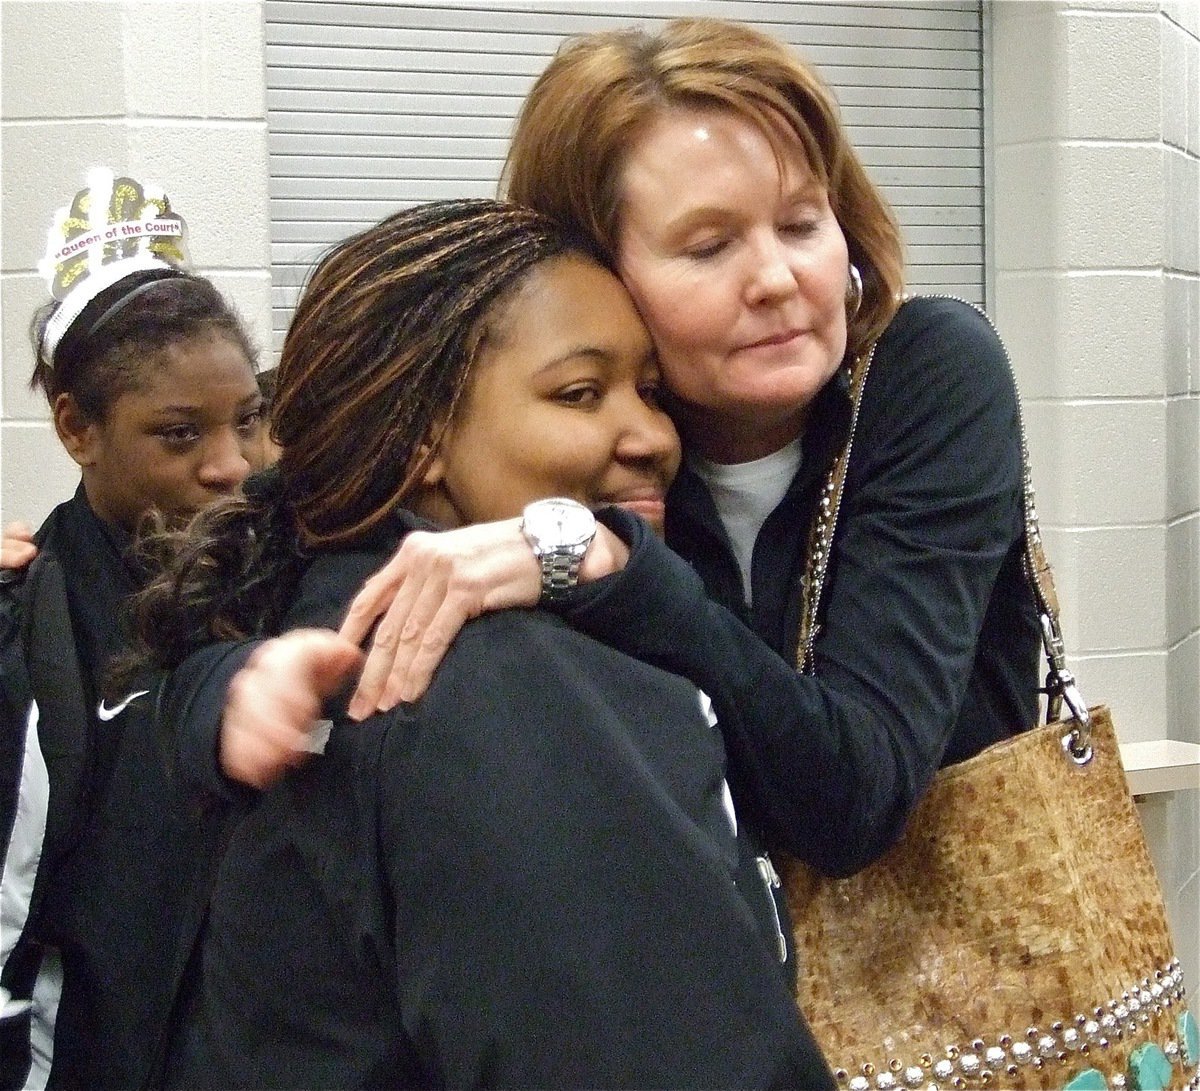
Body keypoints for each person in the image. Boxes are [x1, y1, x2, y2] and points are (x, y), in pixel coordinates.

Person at [178, 16, 1039, 879]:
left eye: (803, 223)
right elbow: (282, 536)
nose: (778, 279)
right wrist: (234, 687)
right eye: (709, 246)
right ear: (596, 270)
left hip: (968, 992)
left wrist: (605, 566)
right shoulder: (576, 446)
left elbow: (858, 791)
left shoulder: (923, 373)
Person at [125, 198, 830, 1089]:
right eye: (580, 392)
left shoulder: (310, 626)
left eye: (649, 389)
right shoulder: (499, 691)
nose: (653, 437)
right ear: (422, 436)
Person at [0, 169, 266, 1090]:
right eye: (179, 434)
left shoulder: (297, 587)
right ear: (78, 427)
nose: (230, 465)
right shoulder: (30, 629)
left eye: (248, 421)